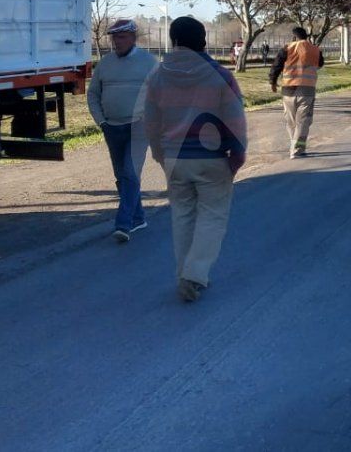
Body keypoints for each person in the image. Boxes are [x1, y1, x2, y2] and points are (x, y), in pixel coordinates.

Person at [143, 17, 247, 303]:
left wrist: (158, 153)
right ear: (202, 40)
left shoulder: (157, 75)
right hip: (212, 158)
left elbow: (150, 120)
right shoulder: (219, 74)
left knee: (183, 216)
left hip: (175, 158)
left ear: (174, 41)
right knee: (212, 216)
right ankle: (195, 274)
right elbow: (235, 118)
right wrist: (237, 154)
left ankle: (183, 275)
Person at [87, 19, 159, 243]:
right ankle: (138, 217)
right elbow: (93, 95)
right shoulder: (105, 64)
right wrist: (101, 122)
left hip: (139, 127)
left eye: (121, 37)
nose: (116, 42)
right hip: (112, 127)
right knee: (122, 176)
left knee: (129, 172)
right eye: (114, 37)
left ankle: (123, 224)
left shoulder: (149, 62)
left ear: (133, 38)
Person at [269, 27, 324, 158]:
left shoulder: (287, 48)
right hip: (307, 89)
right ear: (306, 36)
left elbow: (276, 66)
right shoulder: (315, 49)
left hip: (288, 89)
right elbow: (320, 64)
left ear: (294, 37)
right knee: (303, 121)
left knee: (291, 121)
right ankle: (296, 149)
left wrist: (272, 82)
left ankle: (295, 146)